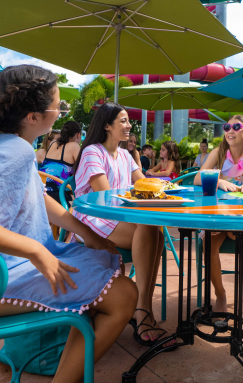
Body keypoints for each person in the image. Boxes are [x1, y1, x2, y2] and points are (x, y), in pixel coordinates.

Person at [0, 65, 136, 383]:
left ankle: (66, 358)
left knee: (99, 260)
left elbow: (40, 198)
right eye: (58, 104)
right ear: (33, 117)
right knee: (123, 294)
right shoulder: (15, 151)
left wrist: (86, 233)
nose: (61, 109)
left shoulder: (5, 143)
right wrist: (35, 249)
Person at [72, 102, 171, 348]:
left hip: (119, 215)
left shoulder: (126, 155)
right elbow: (103, 196)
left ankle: (142, 308)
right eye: (124, 121)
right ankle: (143, 312)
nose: (129, 126)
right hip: (93, 217)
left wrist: (165, 187)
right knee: (149, 227)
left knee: (154, 231)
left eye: (128, 121)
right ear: (107, 126)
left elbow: (144, 183)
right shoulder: (93, 152)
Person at [194, 115, 243, 317]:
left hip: (240, 213)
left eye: (235, 127)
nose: (229, 130)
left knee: (236, 233)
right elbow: (199, 176)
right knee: (209, 242)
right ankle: (220, 294)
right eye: (226, 127)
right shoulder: (218, 152)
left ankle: (234, 231)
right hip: (218, 212)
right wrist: (218, 182)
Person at [39, 122, 82, 201]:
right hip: (55, 190)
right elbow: (82, 170)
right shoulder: (75, 146)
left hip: (40, 184)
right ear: (78, 134)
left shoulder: (53, 143)